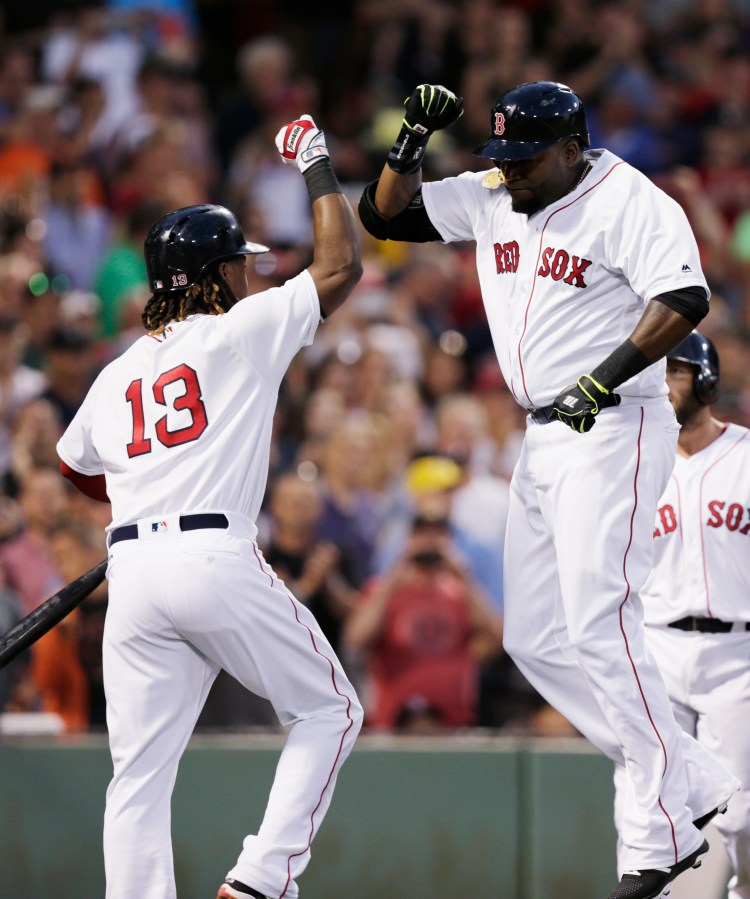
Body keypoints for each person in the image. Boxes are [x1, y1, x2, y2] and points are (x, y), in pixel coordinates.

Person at [358, 80, 741, 899]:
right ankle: (696, 773)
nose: (509, 171)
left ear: (572, 147)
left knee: (600, 621)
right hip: (540, 431)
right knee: (535, 636)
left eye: (525, 158)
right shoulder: (499, 191)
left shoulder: (632, 200)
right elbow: (386, 216)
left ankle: (671, 821)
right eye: (501, 156)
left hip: (614, 422)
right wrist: (410, 141)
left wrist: (603, 383)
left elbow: (684, 299)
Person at [56, 113, 364, 899]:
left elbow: (78, 467)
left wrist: (143, 496)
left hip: (134, 571)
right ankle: (261, 879)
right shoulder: (239, 331)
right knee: (330, 710)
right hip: (211, 555)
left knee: (138, 777)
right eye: (242, 264)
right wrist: (317, 163)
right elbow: (339, 266)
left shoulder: (116, 369)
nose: (253, 276)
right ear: (212, 276)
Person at [614, 331, 750, 899]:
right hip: (657, 647)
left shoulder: (745, 456)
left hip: (738, 652)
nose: (664, 383)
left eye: (675, 372)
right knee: (643, 799)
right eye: (658, 373)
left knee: (738, 813)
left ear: (707, 380)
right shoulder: (634, 460)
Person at [344, 510, 502, 730]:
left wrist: (465, 578)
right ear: (409, 540)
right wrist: (392, 581)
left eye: (438, 534)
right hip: (392, 720)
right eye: (422, 534)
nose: (430, 541)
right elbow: (355, 639)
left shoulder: (460, 591)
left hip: (453, 721)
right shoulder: (383, 589)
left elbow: (495, 636)